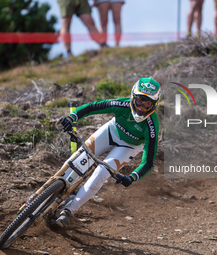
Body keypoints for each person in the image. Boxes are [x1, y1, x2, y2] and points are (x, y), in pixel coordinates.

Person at [56, 77, 161, 227]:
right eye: (139, 101)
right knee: (79, 157)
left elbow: (148, 161)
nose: (141, 108)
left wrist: (132, 177)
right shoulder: (122, 104)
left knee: (102, 173)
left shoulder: (152, 126)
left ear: (154, 105)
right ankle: (54, 188)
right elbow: (92, 107)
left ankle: (68, 210)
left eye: (147, 104)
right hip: (112, 130)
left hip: (130, 146)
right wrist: (72, 117)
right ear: (132, 97)